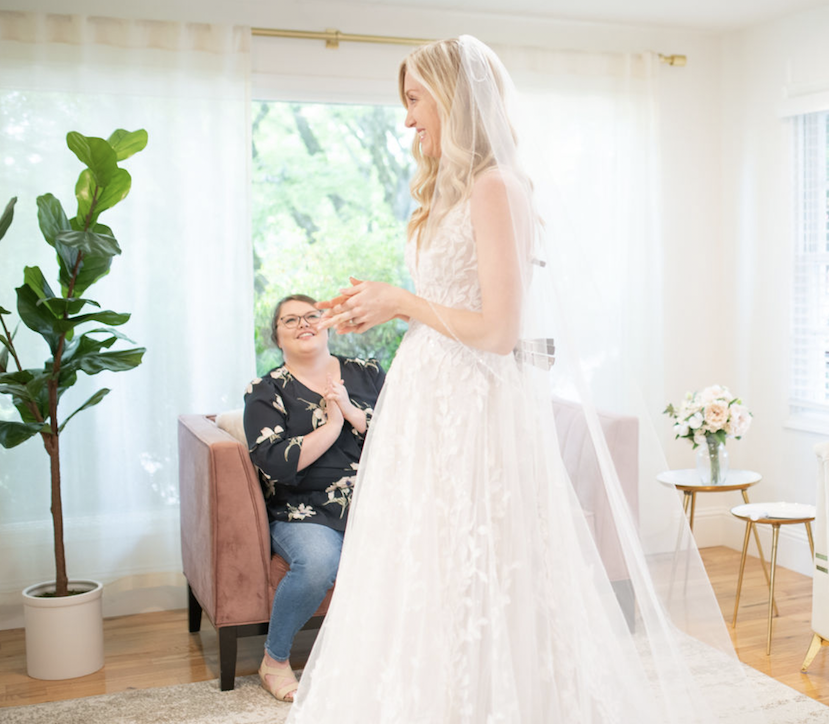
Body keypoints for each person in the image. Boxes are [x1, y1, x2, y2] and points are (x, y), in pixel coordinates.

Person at [284, 36, 749, 723]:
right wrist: (376, 306)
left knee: (481, 568)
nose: (408, 118)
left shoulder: (499, 185)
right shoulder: (447, 188)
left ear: (451, 98)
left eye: (415, 100)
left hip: (474, 404)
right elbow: (448, 303)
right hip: (429, 397)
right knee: (423, 568)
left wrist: (403, 302)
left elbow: (498, 333)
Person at [243, 294, 386, 702]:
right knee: (319, 562)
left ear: (326, 324)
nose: (303, 323)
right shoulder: (264, 391)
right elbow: (276, 463)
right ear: (277, 336)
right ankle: (274, 660)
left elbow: (405, 432)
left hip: (377, 501)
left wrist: (353, 413)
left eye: (312, 315)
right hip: (303, 510)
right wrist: (332, 424)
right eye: (290, 320)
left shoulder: (368, 373)